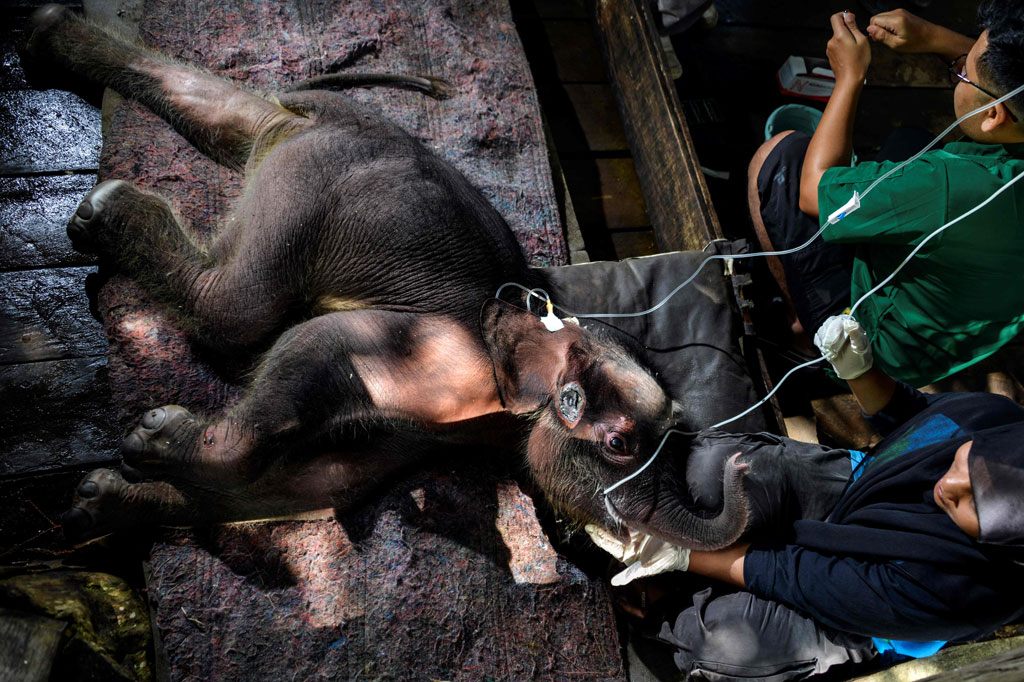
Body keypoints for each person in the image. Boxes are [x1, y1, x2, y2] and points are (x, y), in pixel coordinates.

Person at [587, 314, 1024, 681]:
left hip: (865, 614)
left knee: (726, 641)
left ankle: (672, 610)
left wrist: (681, 555)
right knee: (710, 468)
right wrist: (859, 369)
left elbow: (795, 573)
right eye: (964, 464)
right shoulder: (995, 419)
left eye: (971, 504)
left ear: (1004, 542)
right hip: (858, 487)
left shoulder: (967, 592)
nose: (946, 487)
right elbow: (913, 416)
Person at [747, 1, 1024, 387]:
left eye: (965, 73)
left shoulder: (944, 185)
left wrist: (850, 76)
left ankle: (807, 337)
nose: (959, 72)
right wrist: (931, 36)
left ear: (994, 115)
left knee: (779, 157)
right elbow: (1002, 78)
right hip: (965, 318)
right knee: (906, 140)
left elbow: (813, 192)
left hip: (883, 350)